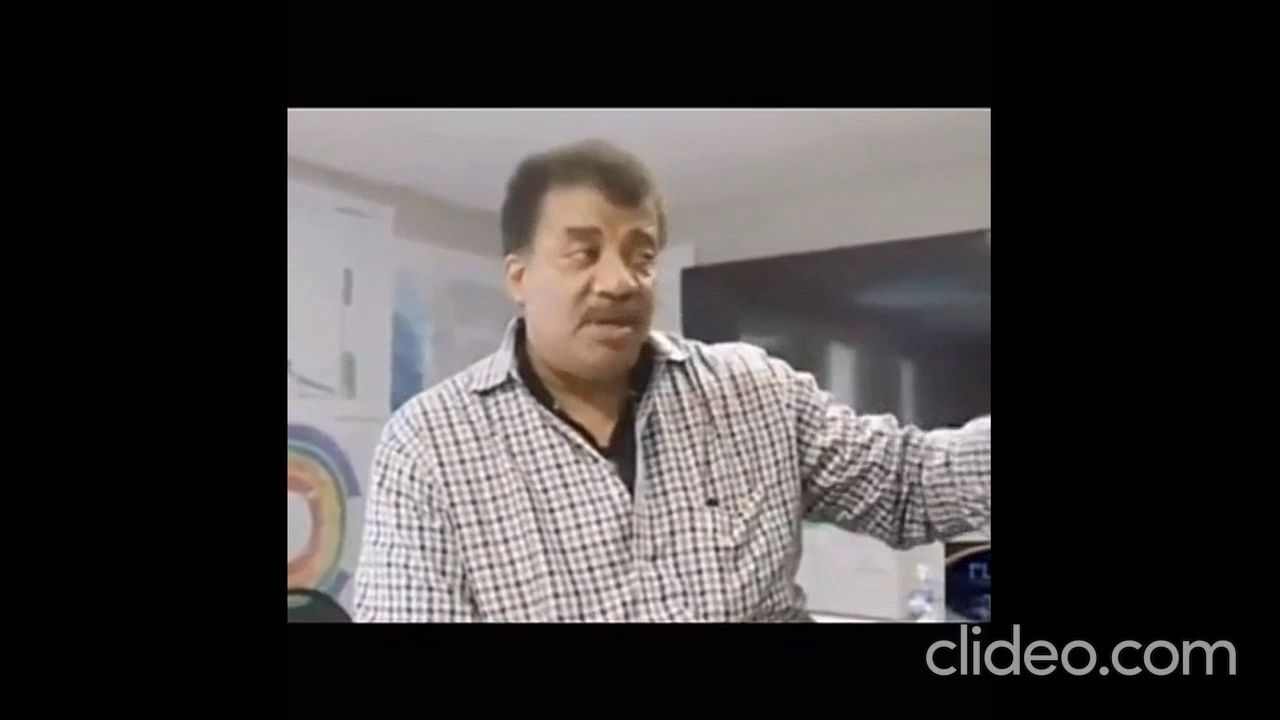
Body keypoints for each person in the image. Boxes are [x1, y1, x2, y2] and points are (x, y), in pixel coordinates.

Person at [353, 140, 991, 622]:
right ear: (518, 277)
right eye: (584, 253)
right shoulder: (430, 446)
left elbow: (911, 485)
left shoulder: (754, 392)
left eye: (642, 256)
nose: (620, 282)